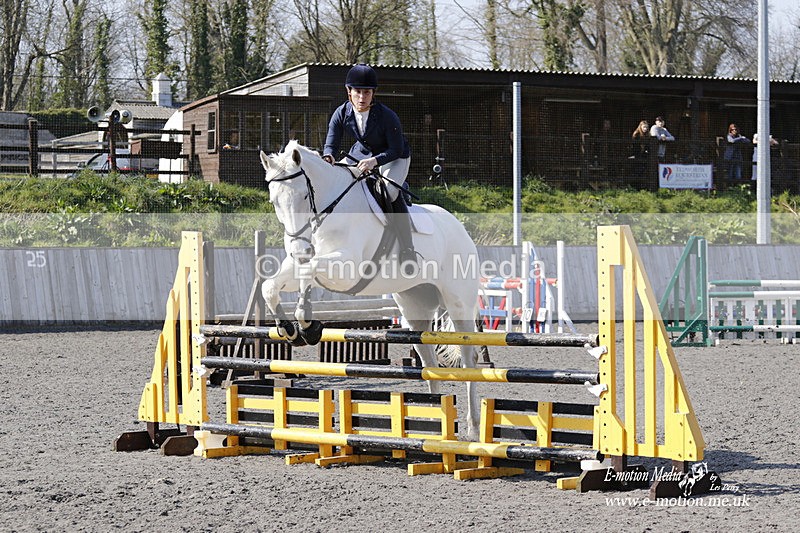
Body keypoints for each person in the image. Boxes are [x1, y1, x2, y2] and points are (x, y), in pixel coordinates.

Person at [322, 64, 416, 272]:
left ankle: (407, 249)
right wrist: (328, 156)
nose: (362, 97)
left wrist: (375, 162)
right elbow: (331, 144)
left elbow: (395, 149)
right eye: (357, 91)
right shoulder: (341, 113)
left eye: (367, 92)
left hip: (394, 157)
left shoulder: (387, 116)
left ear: (373, 93)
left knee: (388, 191)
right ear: (349, 92)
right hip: (361, 153)